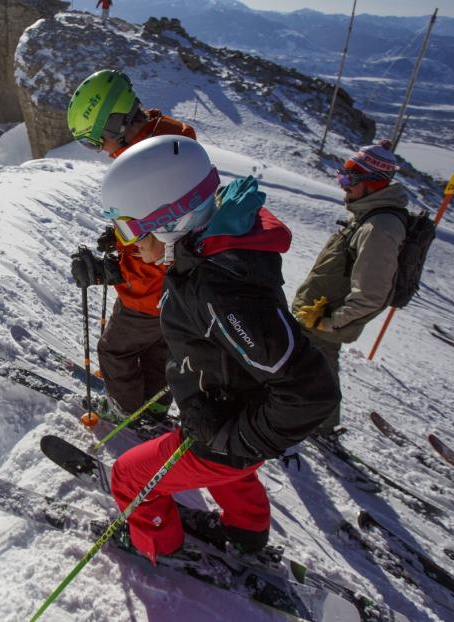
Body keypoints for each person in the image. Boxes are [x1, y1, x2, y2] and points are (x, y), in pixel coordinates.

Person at [101, 135, 340, 562]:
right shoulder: (211, 250)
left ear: (172, 218)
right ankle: (246, 533)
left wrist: (238, 436)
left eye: (131, 228)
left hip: (227, 430)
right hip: (229, 416)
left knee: (128, 476)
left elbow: (310, 391)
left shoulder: (218, 286)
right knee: (231, 470)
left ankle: (160, 546)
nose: (129, 242)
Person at [67, 69, 197, 425]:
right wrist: (121, 237)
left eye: (96, 142)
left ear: (114, 126)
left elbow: (158, 247)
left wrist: (114, 270)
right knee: (158, 347)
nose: (101, 152)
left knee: (115, 350)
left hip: (149, 291)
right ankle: (152, 406)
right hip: (178, 290)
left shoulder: (147, 162)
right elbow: (162, 223)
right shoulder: (169, 140)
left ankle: (123, 410)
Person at [291, 139, 407, 438]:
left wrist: (330, 322)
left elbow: (371, 294)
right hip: (316, 314)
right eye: (341, 177)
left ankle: (320, 425)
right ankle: (310, 419)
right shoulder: (368, 214)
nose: (343, 186)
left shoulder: (379, 228)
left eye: (349, 179)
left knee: (318, 369)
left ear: (373, 183)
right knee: (309, 366)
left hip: (325, 321)